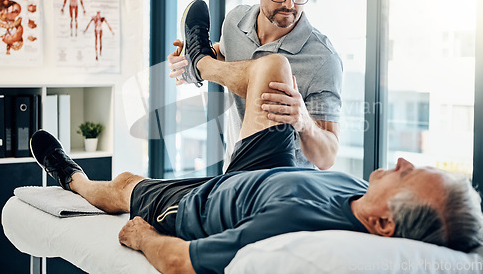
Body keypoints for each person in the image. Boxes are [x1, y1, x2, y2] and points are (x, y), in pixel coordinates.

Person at [31, 45, 483, 273]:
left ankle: (72, 176)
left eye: (409, 175)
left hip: (202, 205)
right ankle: (201, 63)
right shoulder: (366, 197)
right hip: (264, 169)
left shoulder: (291, 228)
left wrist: (144, 237)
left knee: (124, 183)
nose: (402, 161)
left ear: (384, 225)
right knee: (273, 68)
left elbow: (180, 263)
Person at [168, 0, 342, 172]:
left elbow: (327, 158)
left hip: (285, 188)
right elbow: (227, 61)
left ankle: (201, 64)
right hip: (234, 173)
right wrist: (186, 64)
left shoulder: (323, 59)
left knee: (273, 67)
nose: (289, 4)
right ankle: (199, 63)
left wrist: (303, 121)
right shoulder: (234, 22)